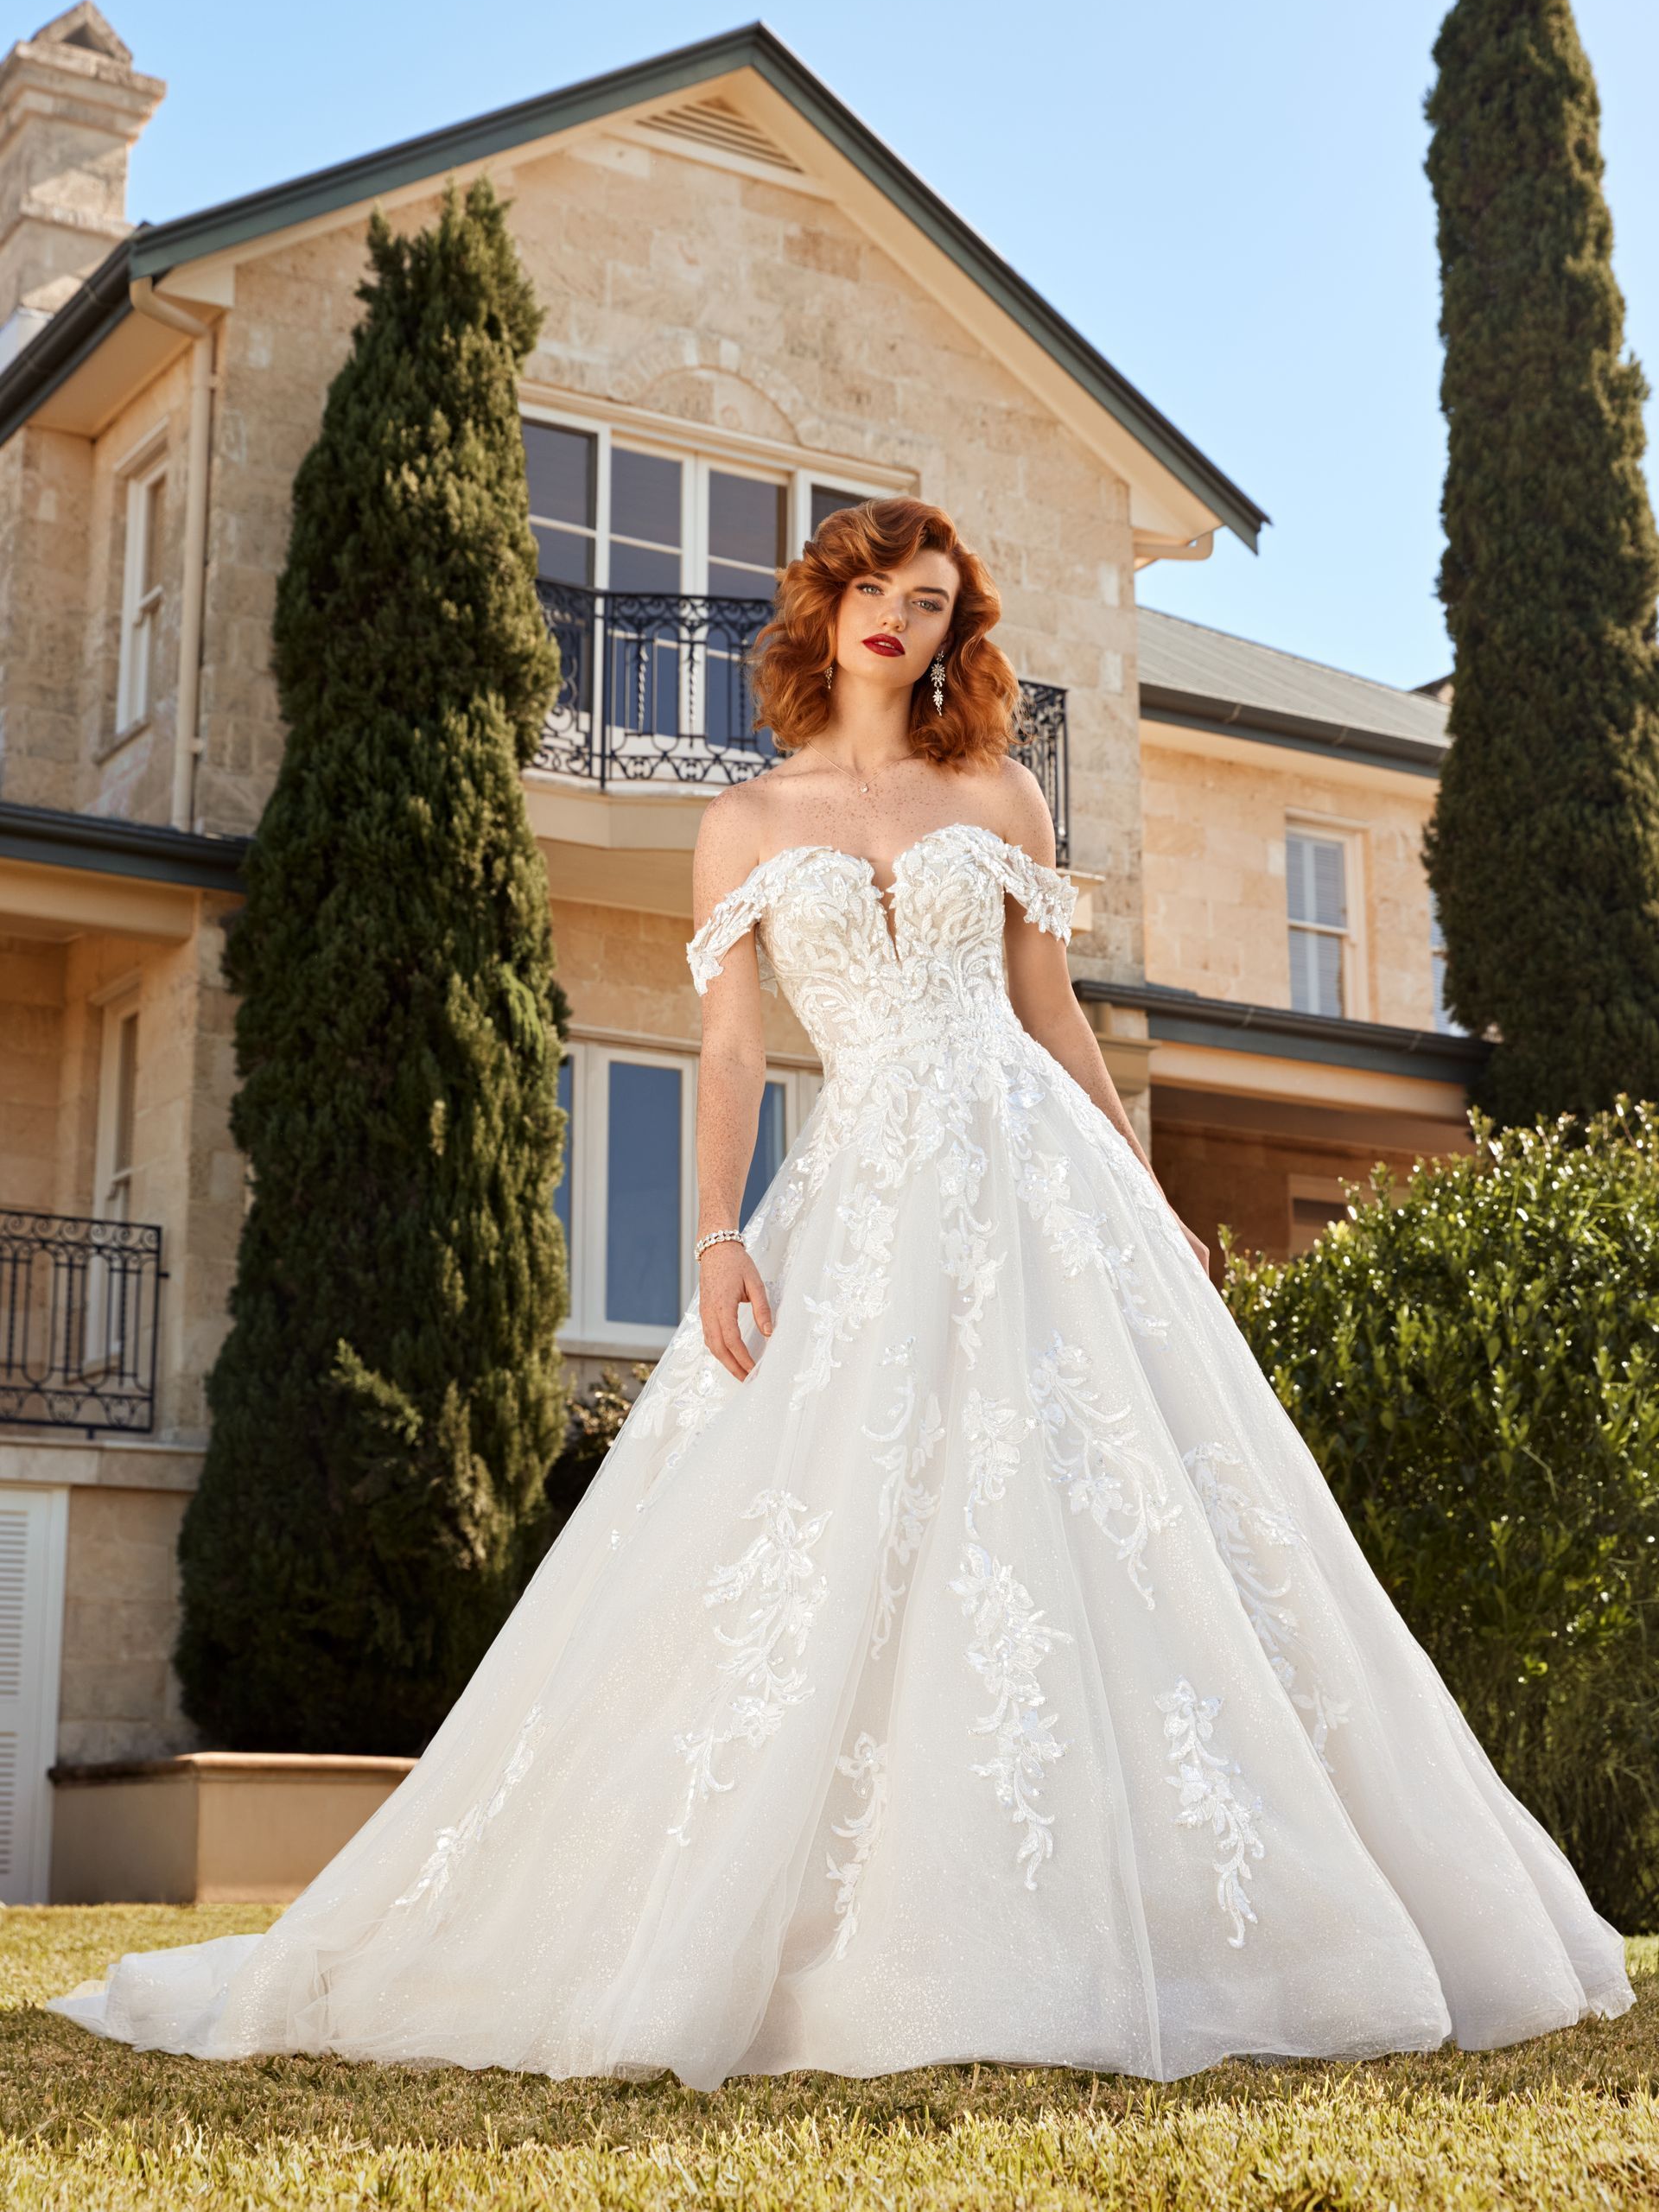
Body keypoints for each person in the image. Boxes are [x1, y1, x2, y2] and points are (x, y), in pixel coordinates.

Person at [50, 497, 1631, 2082]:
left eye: (931, 599)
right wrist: (720, 1233)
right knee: (838, 1528)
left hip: (1032, 1177)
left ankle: (1170, 1907)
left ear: (958, 631)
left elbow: (1051, 1011)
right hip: (862, 1185)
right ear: (823, 610)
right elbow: (732, 1047)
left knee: (1095, 1513)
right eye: (873, 588)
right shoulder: (743, 824)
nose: (899, 616)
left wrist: (1148, 1198)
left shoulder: (1001, 791)